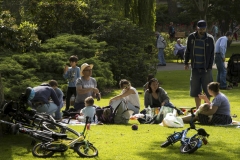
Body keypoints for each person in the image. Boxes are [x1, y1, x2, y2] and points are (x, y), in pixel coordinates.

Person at [184, 20, 215, 109]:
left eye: (204, 28)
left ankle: (207, 108)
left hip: (206, 68)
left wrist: (210, 66)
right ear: (197, 28)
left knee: (208, 90)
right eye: (200, 28)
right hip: (195, 68)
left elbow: (212, 54)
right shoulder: (191, 37)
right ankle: (198, 109)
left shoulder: (210, 38)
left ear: (206, 28)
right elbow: (188, 51)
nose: (202, 30)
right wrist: (186, 62)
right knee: (196, 90)